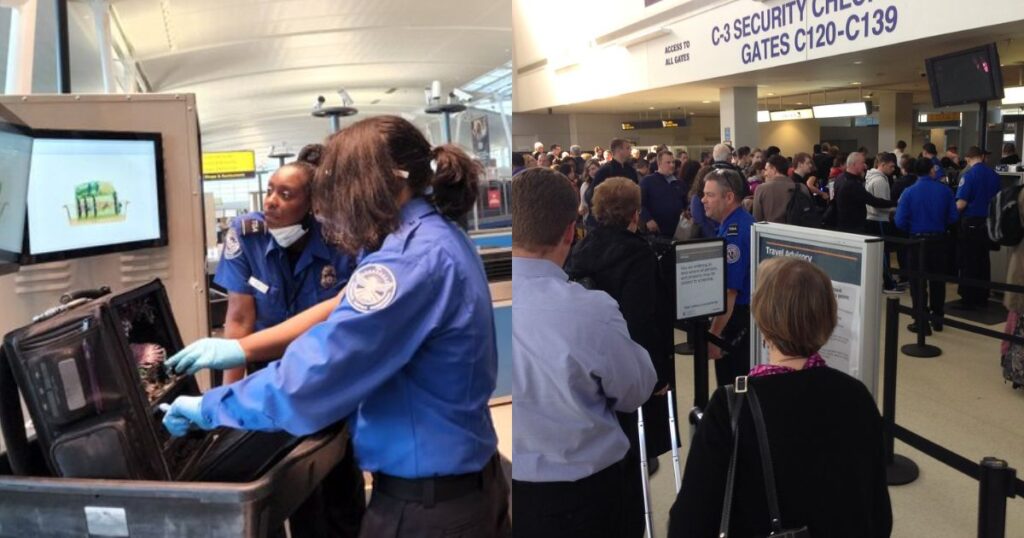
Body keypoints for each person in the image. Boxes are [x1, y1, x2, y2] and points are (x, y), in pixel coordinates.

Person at [162, 115, 511, 538]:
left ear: (374, 186)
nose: (332, 213)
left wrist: (212, 407)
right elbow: (340, 306)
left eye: (339, 193)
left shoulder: (406, 262)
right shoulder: (435, 238)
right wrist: (240, 350)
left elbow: (313, 378)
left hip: (427, 508)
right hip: (467, 484)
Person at [667, 257, 892, 537]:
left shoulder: (731, 407)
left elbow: (689, 523)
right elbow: (878, 513)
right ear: (829, 317)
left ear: (762, 319)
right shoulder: (857, 396)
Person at [512, 168, 657, 538]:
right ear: (569, 232)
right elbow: (635, 389)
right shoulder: (590, 311)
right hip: (588, 500)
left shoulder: (471, 301)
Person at [566, 177, 673, 538]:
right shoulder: (638, 253)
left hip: (586, 361)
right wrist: (656, 375)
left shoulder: (581, 250)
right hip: (625, 363)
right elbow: (643, 317)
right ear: (634, 212)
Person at [895, 157, 960, 334]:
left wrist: (914, 227)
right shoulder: (945, 191)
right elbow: (953, 217)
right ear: (931, 170)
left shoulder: (908, 192)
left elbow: (899, 221)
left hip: (917, 241)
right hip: (939, 241)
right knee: (938, 281)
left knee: (918, 283)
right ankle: (938, 318)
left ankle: (920, 321)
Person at [702, 169, 755, 387]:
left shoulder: (736, 232)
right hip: (738, 317)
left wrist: (714, 336)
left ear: (729, 197)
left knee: (732, 388)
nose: (703, 200)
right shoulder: (733, 223)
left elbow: (729, 292)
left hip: (735, 320)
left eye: (710, 195)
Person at [955, 146, 1003, 308]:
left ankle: (968, 298)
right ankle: (983, 296)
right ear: (982, 157)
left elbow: (961, 204)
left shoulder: (968, 176)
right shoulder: (994, 175)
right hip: (988, 222)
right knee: (983, 260)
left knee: (969, 260)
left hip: (971, 222)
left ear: (968, 159)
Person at [864, 152, 901, 293]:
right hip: (878, 220)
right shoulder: (879, 181)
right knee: (883, 255)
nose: (893, 169)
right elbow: (880, 204)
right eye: (891, 166)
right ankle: (889, 284)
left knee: (880, 254)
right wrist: (895, 208)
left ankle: (885, 282)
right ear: (883, 164)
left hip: (873, 218)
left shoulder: (872, 178)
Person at [833, 152, 896, 233]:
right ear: (854, 164)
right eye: (862, 163)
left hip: (842, 225)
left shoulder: (840, 178)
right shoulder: (852, 184)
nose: (865, 166)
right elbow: (874, 201)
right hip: (853, 228)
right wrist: (897, 203)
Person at [586, 138, 638, 227]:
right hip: (609, 219)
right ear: (619, 150)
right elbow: (592, 194)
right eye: (628, 148)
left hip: (627, 216)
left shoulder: (631, 170)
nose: (630, 150)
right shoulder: (605, 170)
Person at [640, 150, 688, 237]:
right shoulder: (647, 181)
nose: (672, 165)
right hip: (656, 231)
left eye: (673, 162)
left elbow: (685, 203)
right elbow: (639, 203)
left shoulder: (679, 183)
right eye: (668, 162)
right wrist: (648, 219)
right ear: (659, 163)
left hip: (677, 231)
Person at [752, 154, 795, 223]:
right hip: (796, 232)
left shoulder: (761, 189)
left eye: (766, 169)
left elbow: (757, 220)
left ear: (774, 170)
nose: (764, 173)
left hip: (768, 232)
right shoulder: (801, 188)